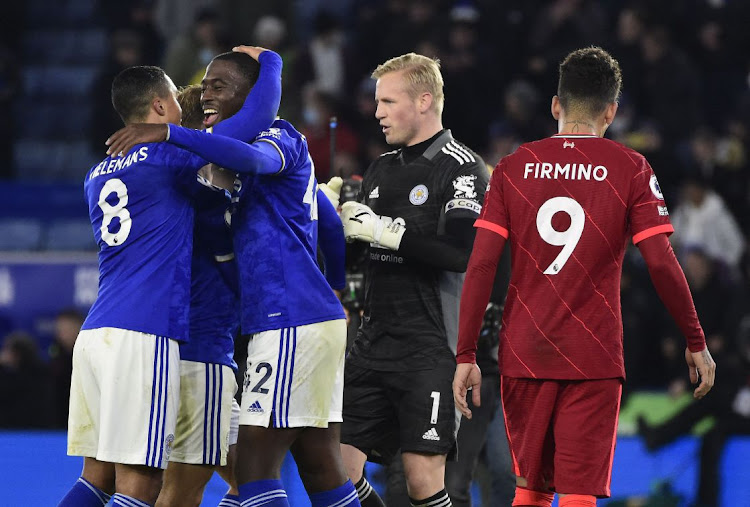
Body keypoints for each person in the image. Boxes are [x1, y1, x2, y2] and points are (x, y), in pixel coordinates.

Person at [453, 46, 716, 507]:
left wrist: (466, 353)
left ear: (556, 104)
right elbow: (659, 262)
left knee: (530, 491)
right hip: (591, 354)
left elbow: (480, 265)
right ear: (611, 111)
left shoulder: (512, 168)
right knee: (578, 493)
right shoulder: (631, 168)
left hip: (524, 351)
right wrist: (695, 340)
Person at [106, 49, 358, 507]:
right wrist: (335, 284)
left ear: (251, 92)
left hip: (287, 319)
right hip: (292, 317)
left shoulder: (278, 136)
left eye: (219, 85)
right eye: (204, 86)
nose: (206, 94)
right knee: (320, 463)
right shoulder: (221, 164)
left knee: (252, 469)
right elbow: (331, 222)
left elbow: (257, 161)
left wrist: (170, 133)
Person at [335, 52, 489, 507]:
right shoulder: (381, 167)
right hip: (373, 339)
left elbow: (461, 254)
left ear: (424, 101)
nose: (377, 112)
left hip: (431, 346)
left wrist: (385, 232)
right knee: (337, 472)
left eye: (388, 101)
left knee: (422, 481)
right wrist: (331, 222)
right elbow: (361, 252)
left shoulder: (462, 167)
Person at [58, 65, 210, 507]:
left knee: (96, 479)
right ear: (160, 105)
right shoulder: (169, 156)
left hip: (96, 333)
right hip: (144, 333)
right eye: (177, 103)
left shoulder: (96, 173)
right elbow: (238, 140)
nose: (183, 112)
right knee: (141, 485)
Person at [156, 45, 282, 507]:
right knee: (178, 492)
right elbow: (259, 115)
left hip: (193, 348)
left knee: (247, 478)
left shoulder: (164, 175)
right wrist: (271, 60)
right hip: (199, 349)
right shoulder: (194, 172)